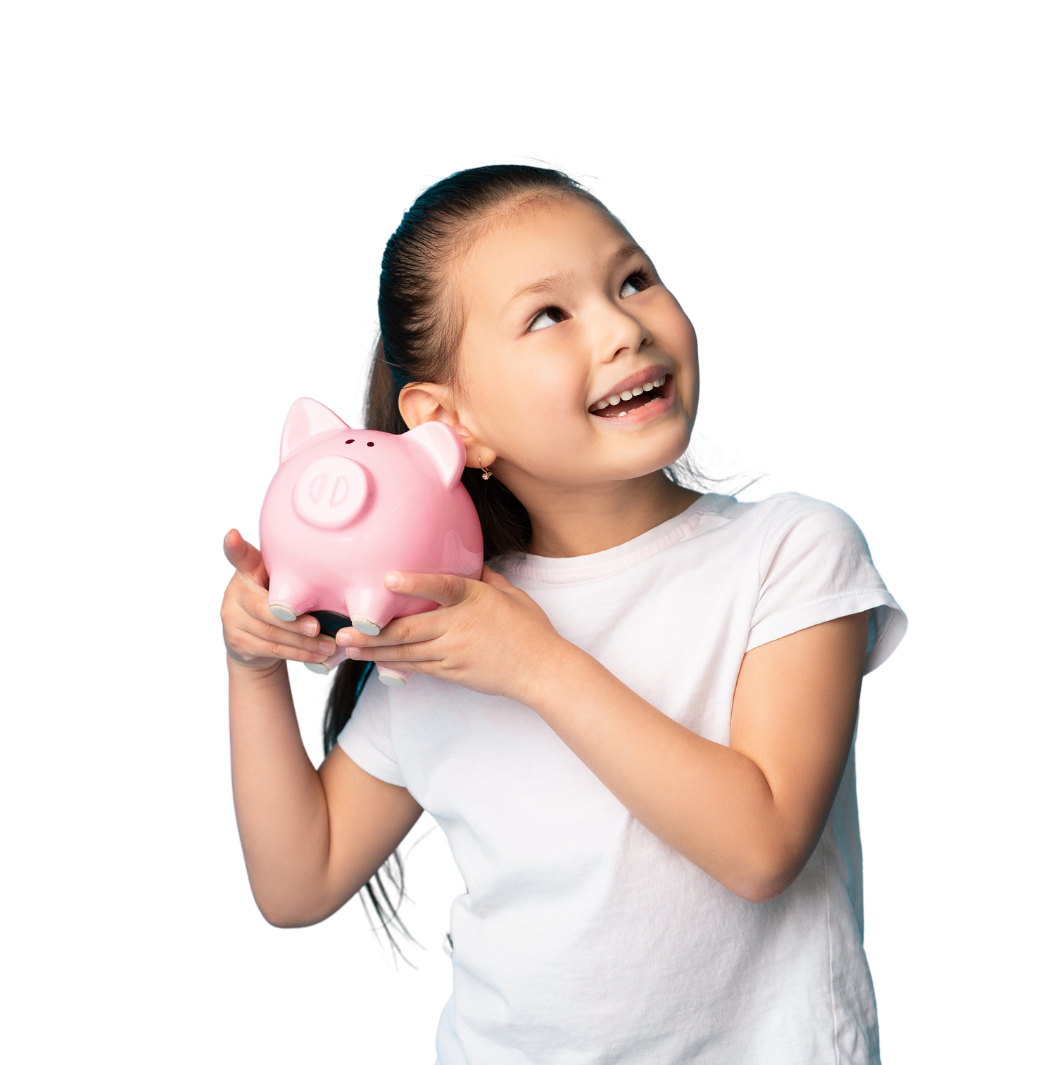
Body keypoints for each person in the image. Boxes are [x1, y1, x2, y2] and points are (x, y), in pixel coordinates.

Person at [219, 160, 907, 1064]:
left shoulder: (789, 549)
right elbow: (296, 879)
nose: (624, 326)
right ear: (447, 421)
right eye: (550, 314)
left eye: (633, 279)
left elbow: (761, 845)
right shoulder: (458, 622)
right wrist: (254, 666)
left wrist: (540, 667)